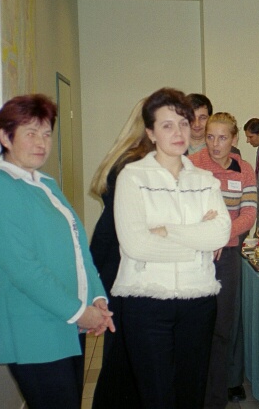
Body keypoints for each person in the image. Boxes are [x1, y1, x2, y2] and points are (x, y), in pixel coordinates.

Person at [0, 94, 114, 409]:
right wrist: (80, 312)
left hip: (66, 324)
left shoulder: (45, 184)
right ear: (5, 137)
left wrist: (96, 297)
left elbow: (79, 248)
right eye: (31, 133)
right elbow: (23, 268)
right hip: (33, 330)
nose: (41, 142)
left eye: (47, 134)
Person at [112, 88, 231, 408]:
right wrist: (197, 243)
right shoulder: (132, 178)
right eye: (167, 125)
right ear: (150, 132)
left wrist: (167, 231)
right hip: (147, 304)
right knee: (157, 398)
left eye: (183, 123)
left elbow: (220, 233)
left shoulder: (204, 179)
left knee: (192, 396)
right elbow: (136, 244)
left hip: (198, 300)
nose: (178, 132)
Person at [189, 112, 257, 407]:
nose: (215, 144)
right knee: (195, 328)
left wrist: (221, 234)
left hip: (227, 255)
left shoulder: (244, 170)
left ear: (234, 139)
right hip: (195, 255)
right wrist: (208, 236)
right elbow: (185, 211)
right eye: (210, 137)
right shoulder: (192, 165)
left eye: (222, 138)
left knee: (222, 330)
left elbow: (249, 213)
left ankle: (215, 400)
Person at [89, 99, 150, 408]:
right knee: (125, 360)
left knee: (122, 357)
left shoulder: (129, 157)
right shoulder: (135, 164)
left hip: (116, 265)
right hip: (125, 269)